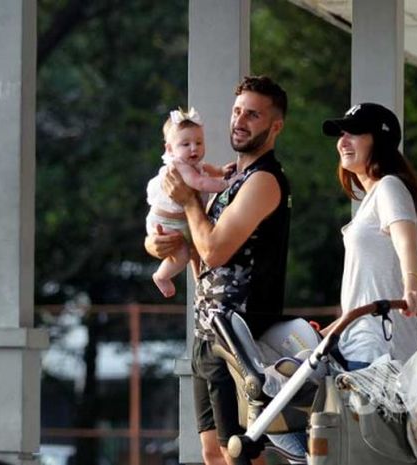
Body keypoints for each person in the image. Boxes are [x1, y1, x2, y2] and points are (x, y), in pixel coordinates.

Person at [145, 75, 294, 465]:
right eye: (237, 111)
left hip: (239, 335)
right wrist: (156, 243)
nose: (240, 121)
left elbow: (212, 250)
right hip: (208, 330)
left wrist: (191, 201)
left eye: (253, 115)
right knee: (212, 452)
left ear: (275, 126)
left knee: (240, 452)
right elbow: (192, 244)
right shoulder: (230, 179)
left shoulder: (263, 180)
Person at [320, 102, 417, 369]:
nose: (343, 142)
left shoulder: (389, 187)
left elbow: (407, 245)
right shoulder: (372, 198)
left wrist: (413, 290)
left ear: (380, 141)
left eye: (354, 133)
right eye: (341, 134)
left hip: (379, 347)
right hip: (359, 341)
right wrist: (331, 330)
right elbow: (364, 292)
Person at [146, 107, 231, 298]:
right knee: (183, 254)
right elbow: (201, 182)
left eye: (198, 142)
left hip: (181, 223)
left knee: (190, 252)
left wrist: (221, 170)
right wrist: (226, 183)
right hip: (167, 223)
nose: (194, 148)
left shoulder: (195, 165)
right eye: (185, 144)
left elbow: (208, 169)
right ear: (170, 149)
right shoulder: (179, 166)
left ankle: (195, 284)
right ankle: (161, 276)